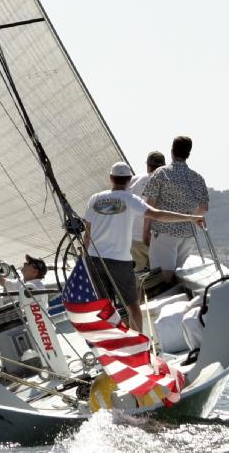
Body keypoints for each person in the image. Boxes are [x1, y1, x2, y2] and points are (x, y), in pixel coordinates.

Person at [83, 161, 207, 332]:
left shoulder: (94, 199)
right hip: (119, 262)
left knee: (104, 306)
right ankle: (139, 342)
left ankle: (110, 342)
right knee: (133, 306)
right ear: (129, 180)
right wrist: (191, 218)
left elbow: (87, 234)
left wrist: (85, 261)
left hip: (94, 260)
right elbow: (158, 215)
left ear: (111, 178)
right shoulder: (130, 199)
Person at [143, 136, 210, 283]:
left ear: (172, 151)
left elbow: (150, 205)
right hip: (187, 233)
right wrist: (191, 218)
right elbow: (204, 207)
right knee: (179, 274)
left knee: (163, 275)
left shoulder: (161, 173)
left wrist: (146, 230)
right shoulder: (197, 177)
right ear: (188, 154)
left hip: (164, 230)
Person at [129, 151, 166, 271]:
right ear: (164, 166)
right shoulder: (168, 183)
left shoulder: (133, 180)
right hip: (157, 239)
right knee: (158, 275)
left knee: (138, 274)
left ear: (148, 166)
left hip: (134, 238)